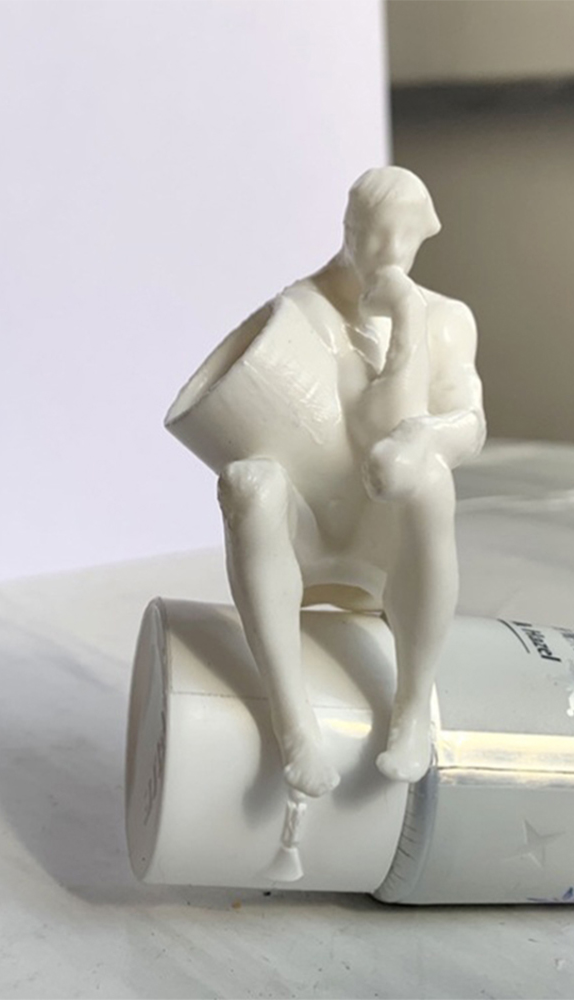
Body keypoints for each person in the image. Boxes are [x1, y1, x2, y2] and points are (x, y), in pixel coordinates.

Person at [214, 167, 486, 797]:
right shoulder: (301, 308)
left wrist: (410, 325)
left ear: (425, 235)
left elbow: (467, 423)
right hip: (309, 526)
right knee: (249, 485)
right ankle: (293, 724)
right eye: (366, 233)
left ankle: (412, 710)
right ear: (345, 228)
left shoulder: (447, 319)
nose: (382, 252)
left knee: (431, 482)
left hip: (382, 534)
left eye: (399, 236)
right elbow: (357, 421)